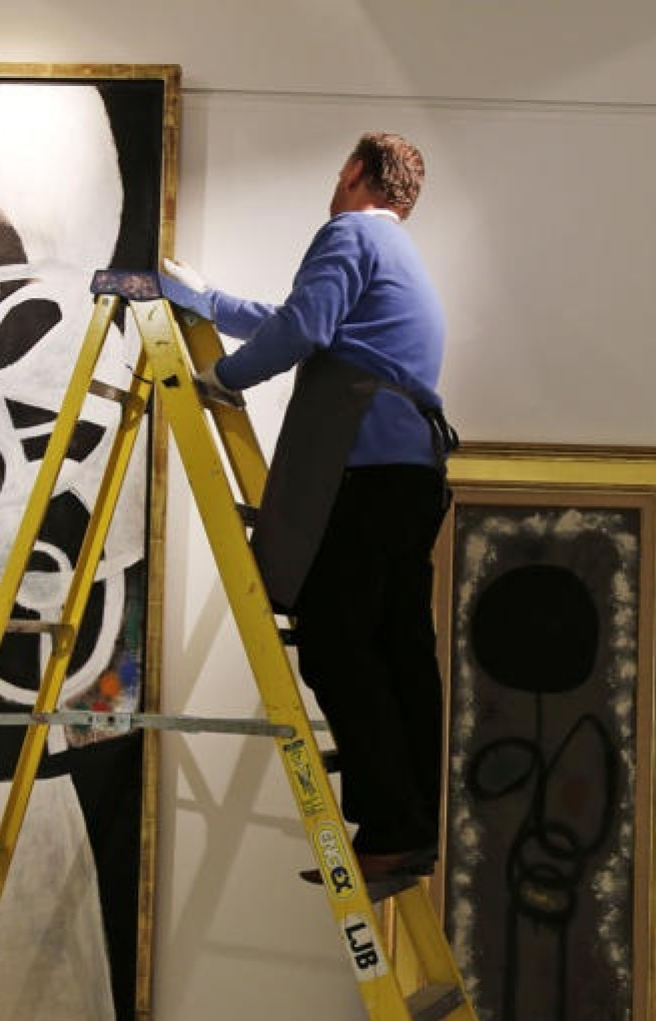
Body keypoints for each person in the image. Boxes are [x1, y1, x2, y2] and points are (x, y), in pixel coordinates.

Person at [160, 133, 454, 884]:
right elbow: (301, 317)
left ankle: (387, 827)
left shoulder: (349, 232)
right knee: (397, 650)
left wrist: (223, 378)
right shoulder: (398, 253)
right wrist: (210, 303)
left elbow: (305, 328)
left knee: (333, 639)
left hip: (363, 466)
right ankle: (410, 827)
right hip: (410, 472)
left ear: (354, 173)